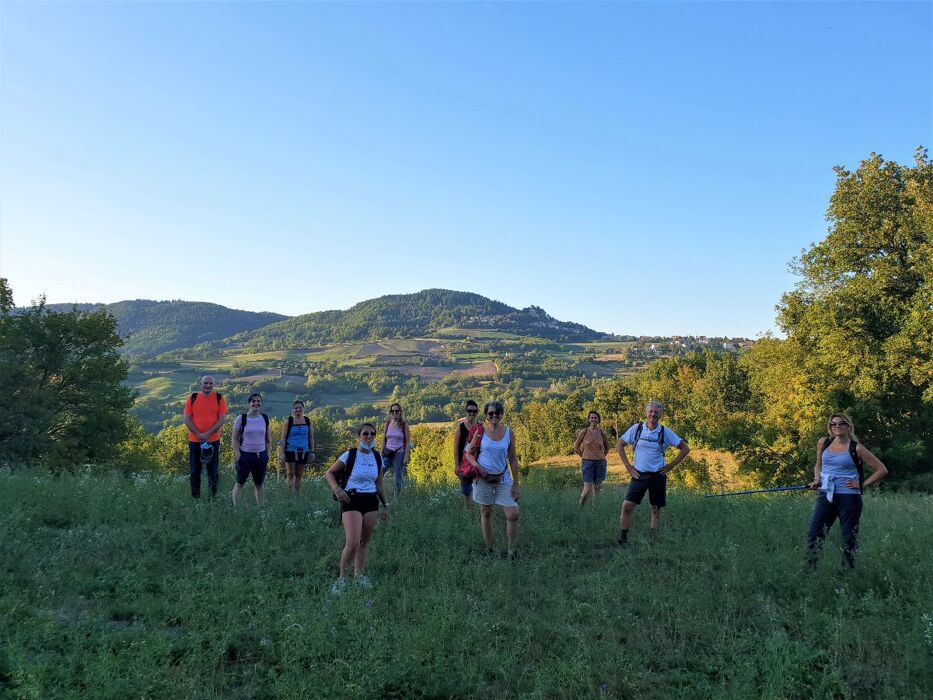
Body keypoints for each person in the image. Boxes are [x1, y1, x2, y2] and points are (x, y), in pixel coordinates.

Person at [806, 413, 888, 569]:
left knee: (849, 538)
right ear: (829, 427)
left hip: (849, 497)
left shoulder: (856, 447)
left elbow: (881, 470)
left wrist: (862, 484)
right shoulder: (823, 443)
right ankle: (808, 572)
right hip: (826, 495)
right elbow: (818, 465)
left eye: (841, 423)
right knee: (815, 535)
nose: (837, 426)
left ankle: (846, 575)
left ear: (849, 426)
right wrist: (817, 479)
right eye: (833, 424)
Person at [326, 424, 390, 593]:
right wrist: (337, 489)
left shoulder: (378, 457)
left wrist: (386, 505)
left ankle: (359, 576)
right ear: (359, 436)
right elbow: (330, 473)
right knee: (352, 542)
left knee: (364, 542)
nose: (369, 436)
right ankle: (342, 579)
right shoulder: (350, 454)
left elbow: (379, 483)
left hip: (371, 501)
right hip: (351, 499)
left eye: (372, 434)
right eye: (365, 434)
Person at [616, 400, 689, 545]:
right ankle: (623, 541)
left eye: (656, 412)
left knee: (655, 509)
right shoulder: (637, 429)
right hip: (639, 475)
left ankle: (653, 541)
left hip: (658, 476)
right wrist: (628, 466)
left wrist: (670, 466)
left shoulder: (664, 432)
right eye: (650, 411)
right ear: (646, 413)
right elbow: (620, 444)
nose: (653, 414)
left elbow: (685, 449)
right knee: (627, 506)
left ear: (661, 414)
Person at [463, 401, 520, 558]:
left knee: (513, 513)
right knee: (486, 512)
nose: (495, 416)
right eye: (491, 413)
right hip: (482, 479)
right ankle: (490, 550)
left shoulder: (509, 432)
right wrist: (477, 468)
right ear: (486, 415)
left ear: (502, 414)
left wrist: (516, 483)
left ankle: (511, 552)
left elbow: (513, 459)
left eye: (498, 413)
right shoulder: (480, 431)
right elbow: (468, 454)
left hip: (503, 479)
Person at [182, 375, 228, 499]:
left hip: (213, 441)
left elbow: (222, 419)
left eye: (210, 383)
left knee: (213, 471)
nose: (208, 385)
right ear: (200, 384)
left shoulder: (219, 398)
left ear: (213, 385)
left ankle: (212, 498)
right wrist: (198, 434)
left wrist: (207, 434)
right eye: (205, 383)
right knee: (195, 471)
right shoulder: (192, 398)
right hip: (194, 441)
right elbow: (186, 419)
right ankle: (195, 498)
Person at [231, 393, 272, 507]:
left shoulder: (264, 418)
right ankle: (236, 508)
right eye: (253, 401)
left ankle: (261, 509)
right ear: (249, 404)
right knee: (240, 483)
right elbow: (234, 439)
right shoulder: (241, 418)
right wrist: (239, 456)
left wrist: (268, 454)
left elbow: (268, 438)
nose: (256, 403)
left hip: (261, 455)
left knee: (259, 483)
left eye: (258, 401)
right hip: (245, 455)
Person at [574, 410, 611, 506]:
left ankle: (596, 510)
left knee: (597, 488)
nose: (594, 419)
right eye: (592, 418)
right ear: (589, 420)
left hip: (600, 463)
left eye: (596, 418)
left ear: (598, 420)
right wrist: (584, 456)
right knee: (587, 489)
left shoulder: (602, 433)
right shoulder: (584, 431)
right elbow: (576, 447)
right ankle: (580, 508)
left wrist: (601, 456)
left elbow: (607, 447)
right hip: (587, 463)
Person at [280, 400, 315, 493]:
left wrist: (312, 451)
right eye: (296, 408)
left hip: (304, 451)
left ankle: (297, 495)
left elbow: (311, 436)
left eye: (300, 407)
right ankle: (289, 494)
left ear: (303, 409)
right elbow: (283, 438)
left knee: (299, 474)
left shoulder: (307, 421)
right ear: (292, 410)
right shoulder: (288, 421)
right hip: (290, 450)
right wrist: (282, 453)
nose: (298, 410)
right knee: (290, 473)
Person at [453, 400, 480, 507]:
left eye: (474, 411)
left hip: (476, 463)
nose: (472, 413)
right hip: (463, 464)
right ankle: (468, 514)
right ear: (466, 411)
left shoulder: (479, 427)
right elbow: (455, 447)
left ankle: (478, 513)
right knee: (466, 491)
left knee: (478, 490)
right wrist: (456, 465)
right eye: (470, 411)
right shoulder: (460, 428)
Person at [380, 402, 411, 495]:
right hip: (388, 452)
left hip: (399, 453)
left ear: (400, 412)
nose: (394, 412)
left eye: (396, 410)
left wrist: (406, 456)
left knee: (398, 476)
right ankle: (377, 493)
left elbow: (408, 442)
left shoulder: (404, 425)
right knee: (379, 473)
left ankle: (398, 495)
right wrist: (381, 451)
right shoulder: (387, 424)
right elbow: (384, 439)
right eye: (392, 411)